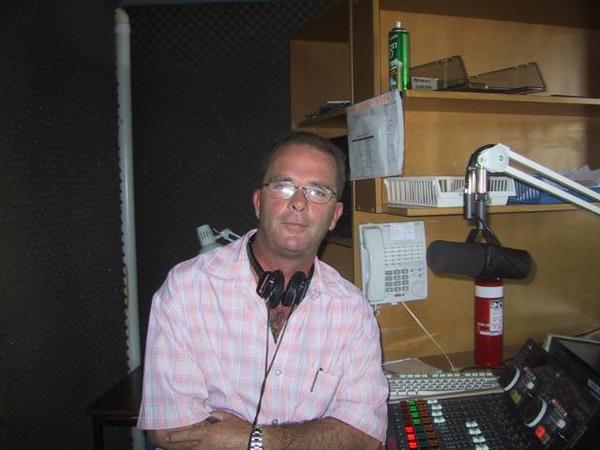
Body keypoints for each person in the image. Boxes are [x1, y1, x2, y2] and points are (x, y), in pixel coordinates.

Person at [137, 131, 389, 449]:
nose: (299, 203)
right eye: (284, 186)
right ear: (258, 203)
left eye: (318, 191)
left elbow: (365, 436)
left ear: (334, 216)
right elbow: (170, 431)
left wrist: (255, 440)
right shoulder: (187, 290)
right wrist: (316, 438)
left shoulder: (352, 310)